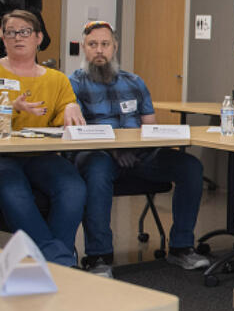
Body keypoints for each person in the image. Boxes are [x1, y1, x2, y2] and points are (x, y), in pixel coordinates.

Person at [68, 20, 212, 277]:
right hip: (98, 155)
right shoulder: (73, 84)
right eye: (92, 45)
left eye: (105, 44)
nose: (99, 50)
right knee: (97, 168)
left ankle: (181, 248)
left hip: (140, 155)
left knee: (190, 166)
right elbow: (79, 132)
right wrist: (115, 149)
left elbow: (150, 127)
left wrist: (148, 143)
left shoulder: (134, 82)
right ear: (84, 48)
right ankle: (99, 256)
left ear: (115, 47)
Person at [0, 10, 87, 268]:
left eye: (25, 32)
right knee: (12, 186)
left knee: (73, 186)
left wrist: (72, 108)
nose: (18, 37)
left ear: (39, 38)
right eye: (10, 32)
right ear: (1, 38)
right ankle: (60, 262)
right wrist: (9, 108)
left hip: (38, 157)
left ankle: (50, 260)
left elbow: (64, 113)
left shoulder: (57, 80)